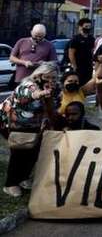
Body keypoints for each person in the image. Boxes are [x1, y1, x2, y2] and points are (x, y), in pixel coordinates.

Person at [1, 62, 58, 197]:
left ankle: (23, 178)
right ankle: (10, 184)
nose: (51, 80)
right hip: (11, 123)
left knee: (34, 150)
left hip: (34, 125)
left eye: (54, 78)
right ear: (39, 75)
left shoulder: (53, 87)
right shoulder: (27, 85)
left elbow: (52, 107)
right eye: (48, 77)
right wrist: (42, 93)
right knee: (19, 152)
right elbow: (32, 94)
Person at [67, 18, 95, 85]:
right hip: (78, 67)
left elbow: (93, 51)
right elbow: (71, 54)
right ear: (80, 27)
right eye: (86, 26)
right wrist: (74, 66)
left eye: (89, 27)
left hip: (88, 67)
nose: (88, 28)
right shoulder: (75, 39)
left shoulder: (92, 39)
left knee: (88, 84)